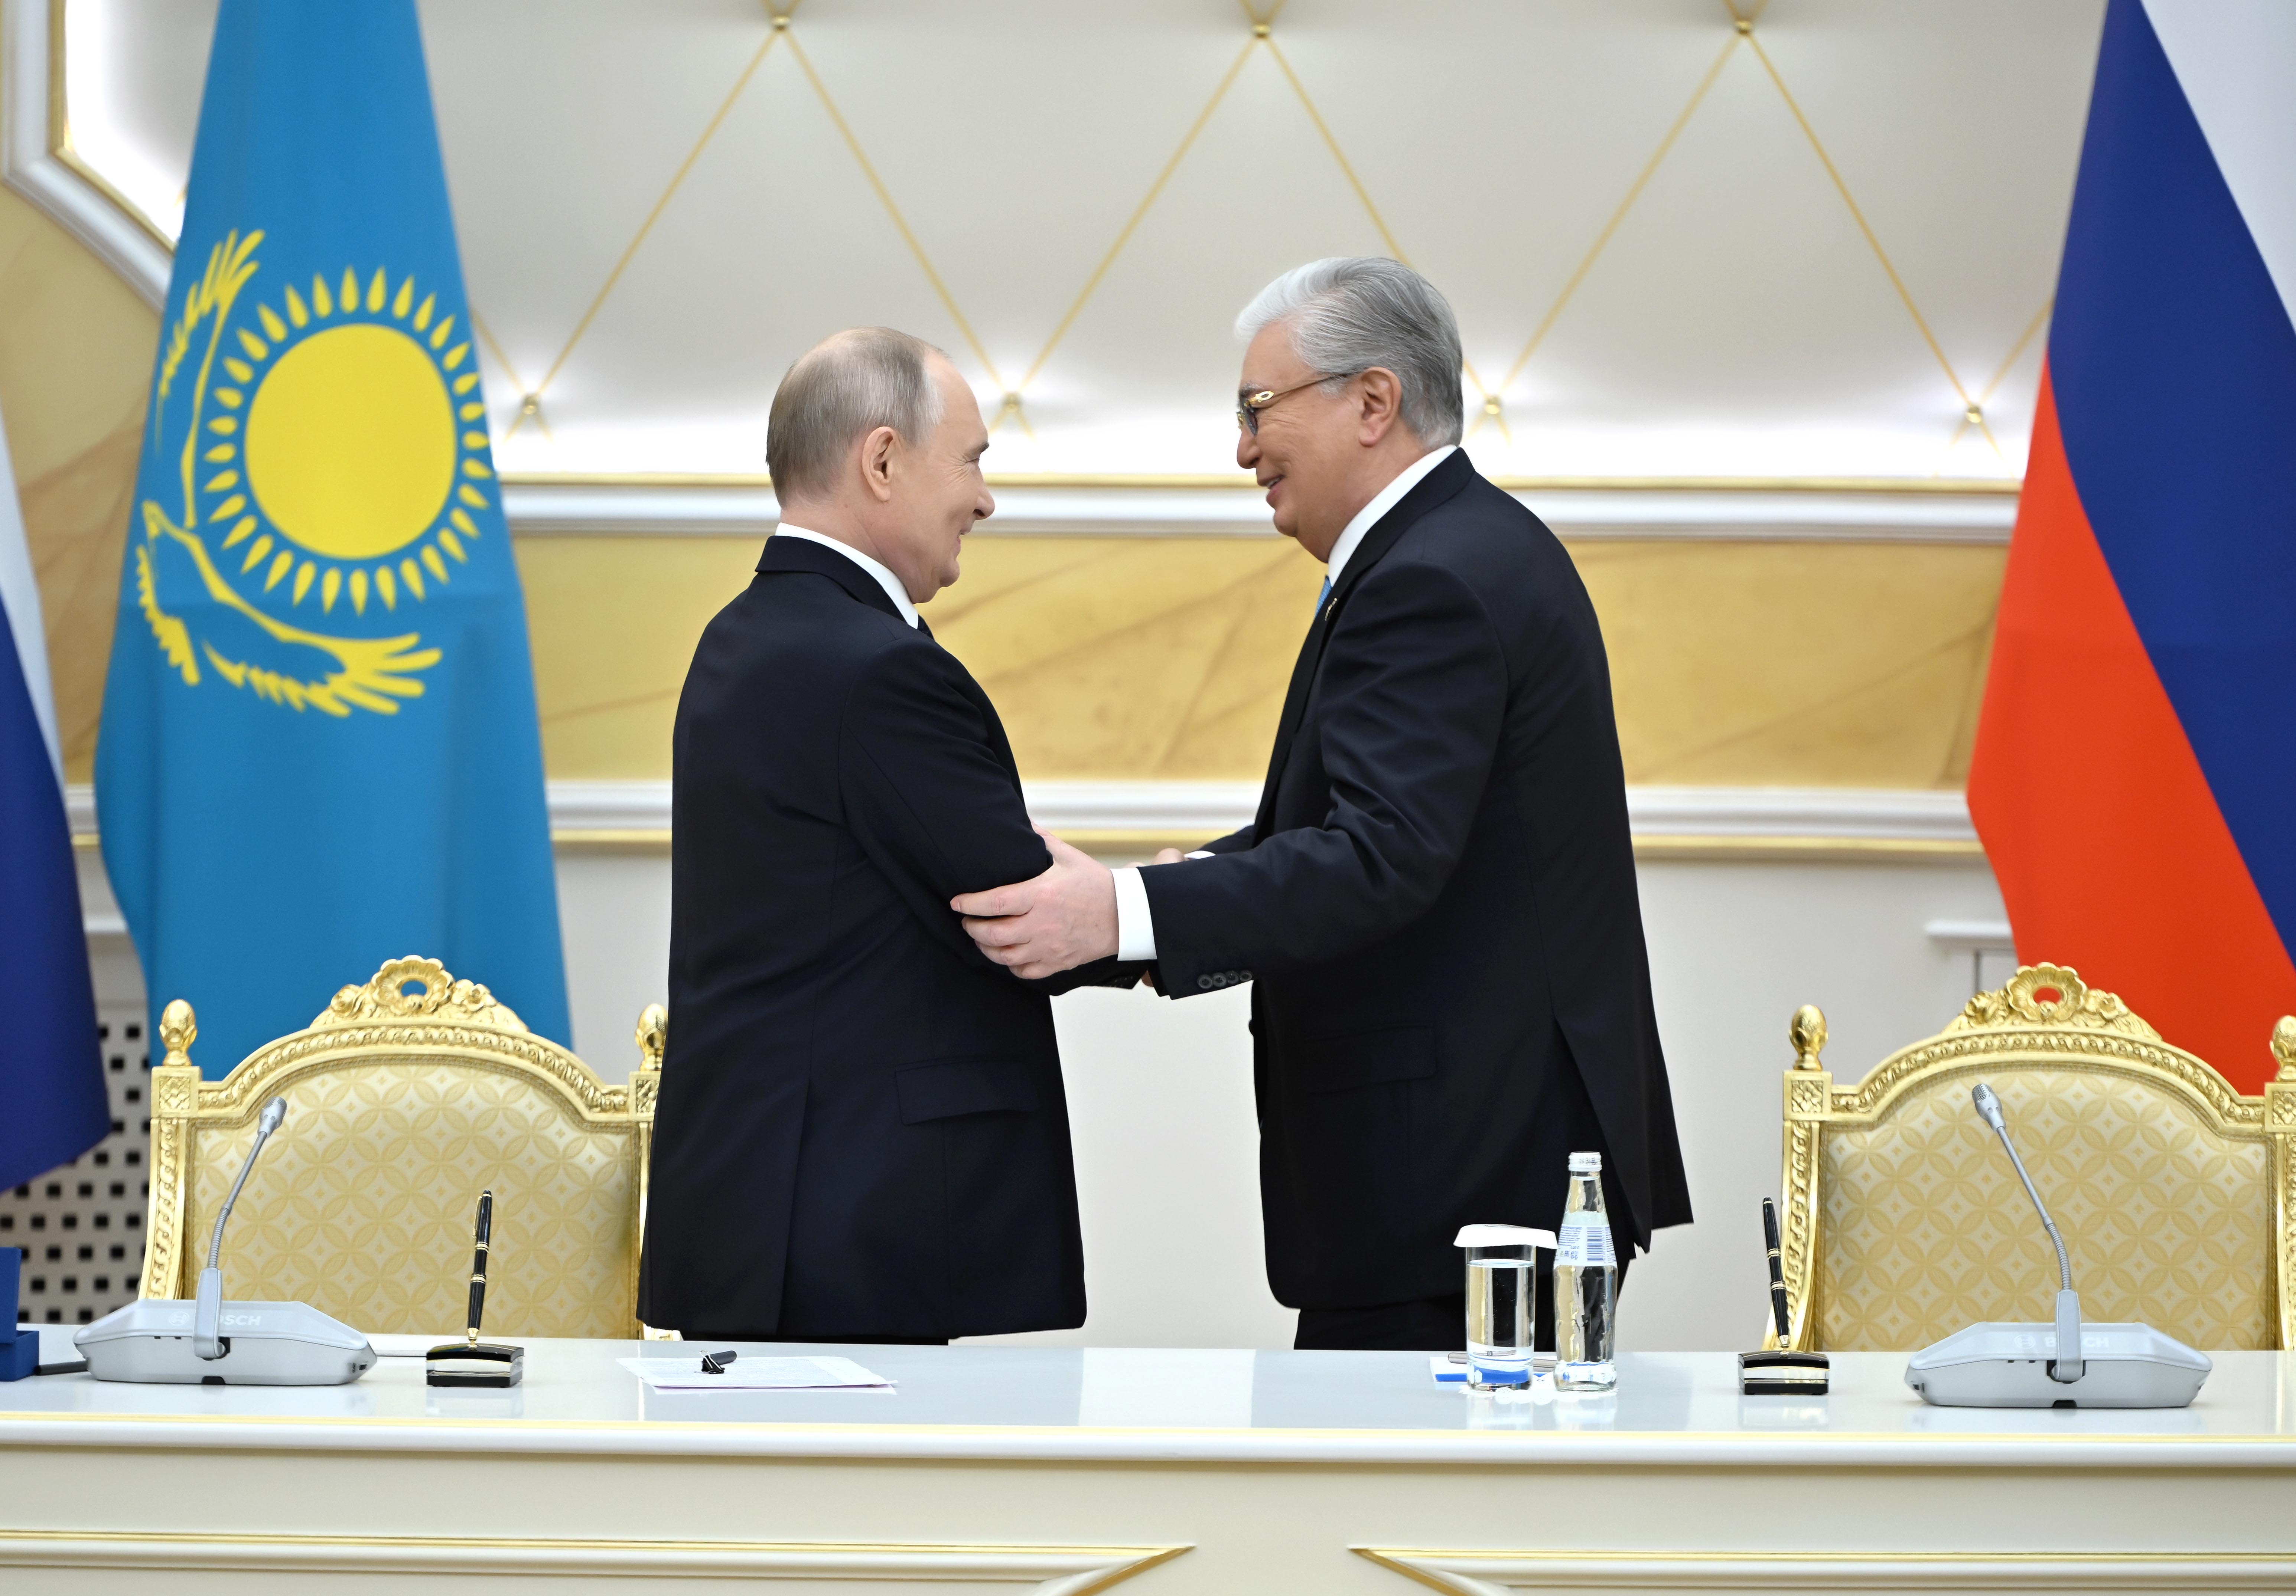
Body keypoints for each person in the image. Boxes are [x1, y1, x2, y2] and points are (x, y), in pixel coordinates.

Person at [951, 259, 1691, 1351]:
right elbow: (1374, 833)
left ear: (1374, 402)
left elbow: (1381, 856)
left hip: (1465, 1190)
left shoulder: (1432, 577)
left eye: (1258, 409)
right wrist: (1164, 899)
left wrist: (1123, 912)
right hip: (1473, 1178)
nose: (1243, 449)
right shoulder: (1456, 548)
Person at [639, 327, 1133, 1344]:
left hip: (767, 1216)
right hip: (862, 1233)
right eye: (973, 462)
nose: (985, 500)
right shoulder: (875, 668)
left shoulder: (744, 636)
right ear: (882, 461)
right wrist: (1174, 910)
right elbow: (1016, 902)